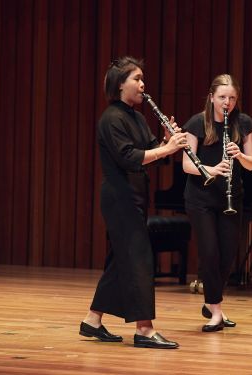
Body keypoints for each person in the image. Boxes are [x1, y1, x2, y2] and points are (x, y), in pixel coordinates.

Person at [80, 56, 188, 349]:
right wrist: (166, 148)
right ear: (120, 84)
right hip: (119, 198)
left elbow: (152, 153)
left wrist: (167, 141)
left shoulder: (137, 117)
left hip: (136, 197)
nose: (143, 85)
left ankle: (92, 321)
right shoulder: (111, 118)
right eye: (137, 79)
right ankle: (144, 329)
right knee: (139, 257)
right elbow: (129, 158)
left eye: (142, 79)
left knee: (121, 259)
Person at [182, 74, 252, 332]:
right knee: (210, 252)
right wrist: (210, 169)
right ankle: (215, 311)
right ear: (212, 97)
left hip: (231, 195)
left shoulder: (243, 123)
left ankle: (212, 301)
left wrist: (240, 154)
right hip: (201, 197)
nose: (227, 102)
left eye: (232, 98)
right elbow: (186, 164)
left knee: (227, 254)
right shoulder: (196, 122)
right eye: (223, 97)